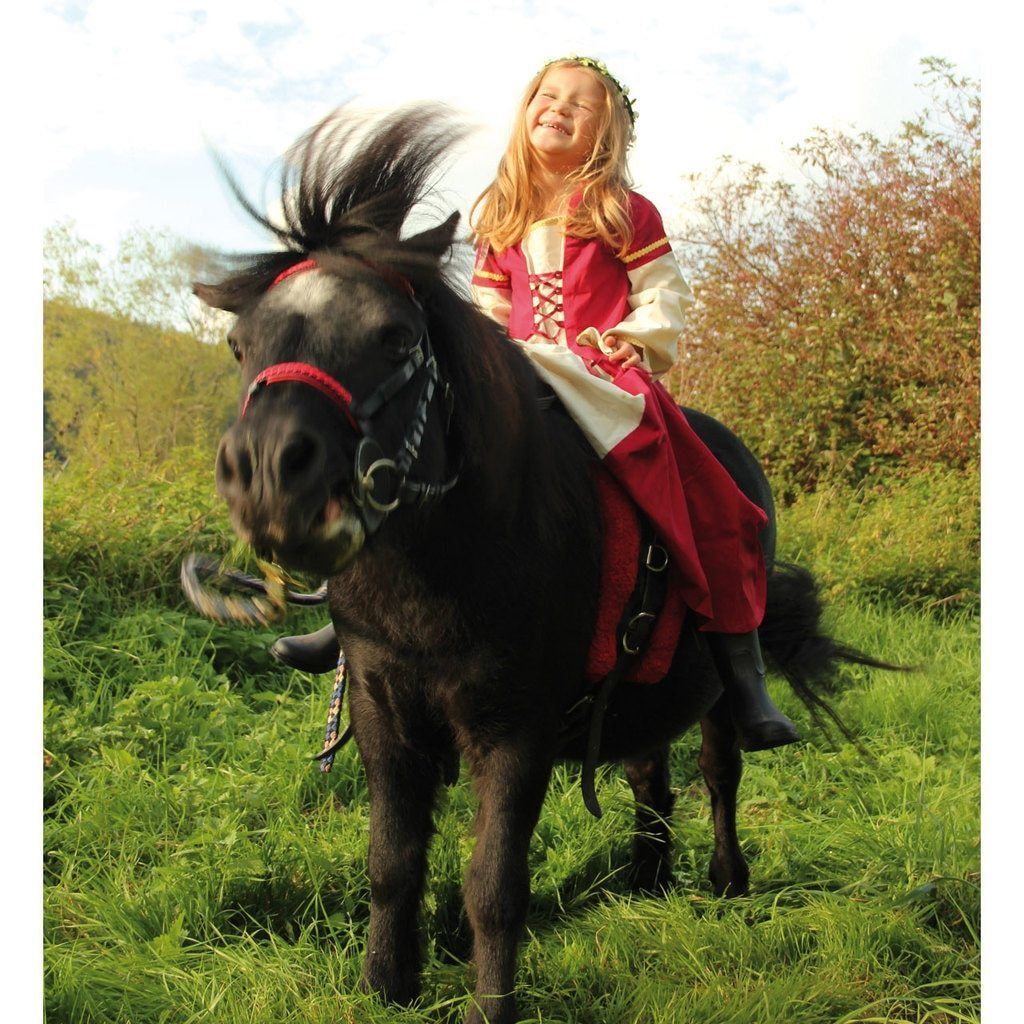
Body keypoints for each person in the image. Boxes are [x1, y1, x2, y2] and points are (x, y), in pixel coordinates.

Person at [274, 56, 799, 751]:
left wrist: (637, 339)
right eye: (547, 97)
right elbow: (489, 306)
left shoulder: (625, 212)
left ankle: (741, 669)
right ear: (526, 113)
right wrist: (480, 356)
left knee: (705, 498)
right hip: (515, 369)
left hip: (601, 371)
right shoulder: (503, 210)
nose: (559, 108)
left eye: (580, 104)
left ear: (606, 132)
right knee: (416, 446)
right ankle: (350, 619)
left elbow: (664, 292)